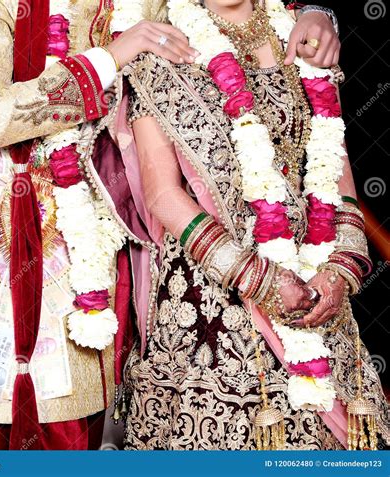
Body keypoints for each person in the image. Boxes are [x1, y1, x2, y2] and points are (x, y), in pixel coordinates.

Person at [0, 0, 343, 451]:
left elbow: (221, 8)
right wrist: (110, 59)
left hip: (137, 255)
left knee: (117, 431)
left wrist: (314, 13)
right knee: (48, 435)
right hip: (31, 251)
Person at [89, 0, 390, 449]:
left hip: (317, 289)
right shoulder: (162, 49)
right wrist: (258, 278)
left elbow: (336, 173)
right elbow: (163, 195)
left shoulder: (304, 37)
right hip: (213, 305)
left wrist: (342, 269)